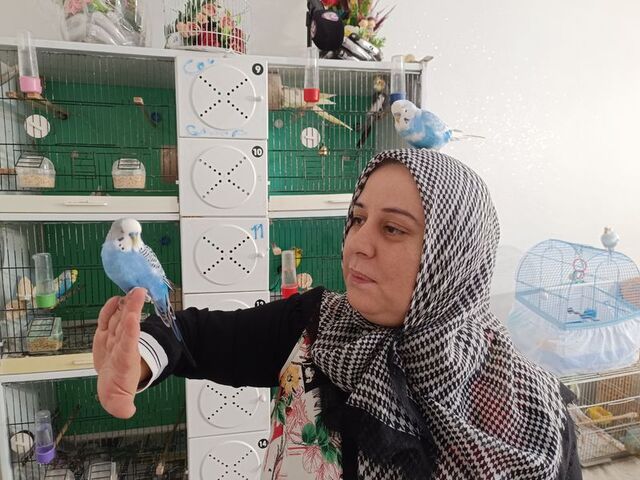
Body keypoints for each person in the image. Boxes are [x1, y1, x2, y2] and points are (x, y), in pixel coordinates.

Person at [93, 149, 582, 479]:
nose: (357, 244)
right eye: (358, 218)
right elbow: (197, 337)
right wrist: (137, 357)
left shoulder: (532, 408)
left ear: (453, 255)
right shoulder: (315, 326)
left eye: (393, 229)